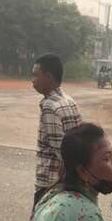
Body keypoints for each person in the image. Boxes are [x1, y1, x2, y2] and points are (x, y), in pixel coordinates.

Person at [31, 53, 82, 211]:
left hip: (50, 183)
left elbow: (60, 150)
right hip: (69, 183)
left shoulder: (50, 106)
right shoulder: (69, 101)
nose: (32, 80)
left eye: (36, 75)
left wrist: (59, 183)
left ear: (48, 77)